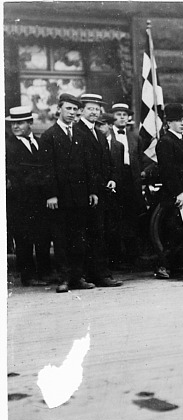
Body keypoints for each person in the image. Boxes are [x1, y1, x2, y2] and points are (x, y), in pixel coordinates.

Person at [40, 93, 96, 292]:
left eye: (75, 110)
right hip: (60, 197)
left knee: (79, 238)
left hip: (80, 196)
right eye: (68, 109)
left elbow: (88, 166)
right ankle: (64, 278)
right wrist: (51, 194)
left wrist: (92, 191)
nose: (72, 113)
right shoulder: (49, 136)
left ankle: (77, 277)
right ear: (59, 109)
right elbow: (47, 169)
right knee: (62, 239)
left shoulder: (81, 136)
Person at [75, 93, 122, 287]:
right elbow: (81, 166)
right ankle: (90, 274)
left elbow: (107, 162)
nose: (94, 112)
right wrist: (91, 189)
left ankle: (100, 273)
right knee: (87, 234)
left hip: (101, 192)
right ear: (82, 111)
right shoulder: (77, 132)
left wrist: (111, 178)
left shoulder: (99, 134)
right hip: (87, 193)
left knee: (99, 233)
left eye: (97, 109)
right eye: (90, 108)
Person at [5, 106, 52, 286]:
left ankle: (45, 272)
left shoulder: (40, 142)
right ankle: (28, 276)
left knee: (43, 237)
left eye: (20, 123)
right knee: (24, 239)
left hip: (40, 200)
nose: (16, 126)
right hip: (20, 201)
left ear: (30, 123)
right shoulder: (7, 146)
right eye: (13, 123)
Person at [154, 103, 183, 278]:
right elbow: (168, 170)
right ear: (168, 123)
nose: (182, 124)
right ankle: (162, 266)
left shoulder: (180, 140)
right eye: (177, 121)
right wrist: (177, 192)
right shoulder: (166, 142)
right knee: (173, 232)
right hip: (176, 194)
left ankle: (178, 265)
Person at [105, 103, 146, 269]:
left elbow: (141, 158)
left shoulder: (135, 136)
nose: (122, 117)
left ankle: (133, 257)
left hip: (132, 179)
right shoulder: (107, 135)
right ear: (112, 117)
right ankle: (116, 257)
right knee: (115, 218)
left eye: (125, 114)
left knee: (132, 216)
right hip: (115, 178)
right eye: (118, 114)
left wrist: (141, 175)